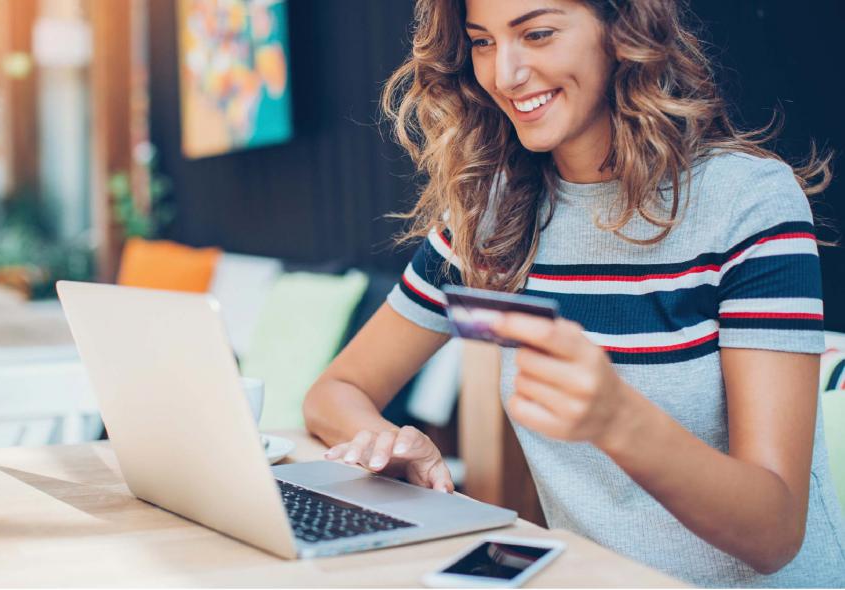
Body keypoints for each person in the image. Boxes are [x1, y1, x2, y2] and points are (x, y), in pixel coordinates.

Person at [302, 0, 845, 586]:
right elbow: (337, 390)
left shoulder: (748, 203)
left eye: (536, 34)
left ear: (622, 31)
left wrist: (618, 420)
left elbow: (774, 533)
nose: (505, 75)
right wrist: (388, 445)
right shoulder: (490, 220)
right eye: (482, 42)